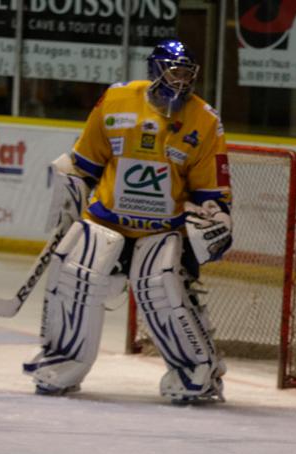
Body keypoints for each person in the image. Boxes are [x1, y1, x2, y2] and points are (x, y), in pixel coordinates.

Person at [24, 40, 233, 403]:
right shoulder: (117, 100)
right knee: (76, 278)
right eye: (175, 72)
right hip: (105, 221)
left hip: (163, 230)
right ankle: (61, 362)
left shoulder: (205, 120)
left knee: (161, 288)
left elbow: (211, 191)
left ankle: (197, 371)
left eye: (187, 74)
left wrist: (215, 218)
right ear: (156, 70)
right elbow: (85, 162)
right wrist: (70, 197)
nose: (181, 81)